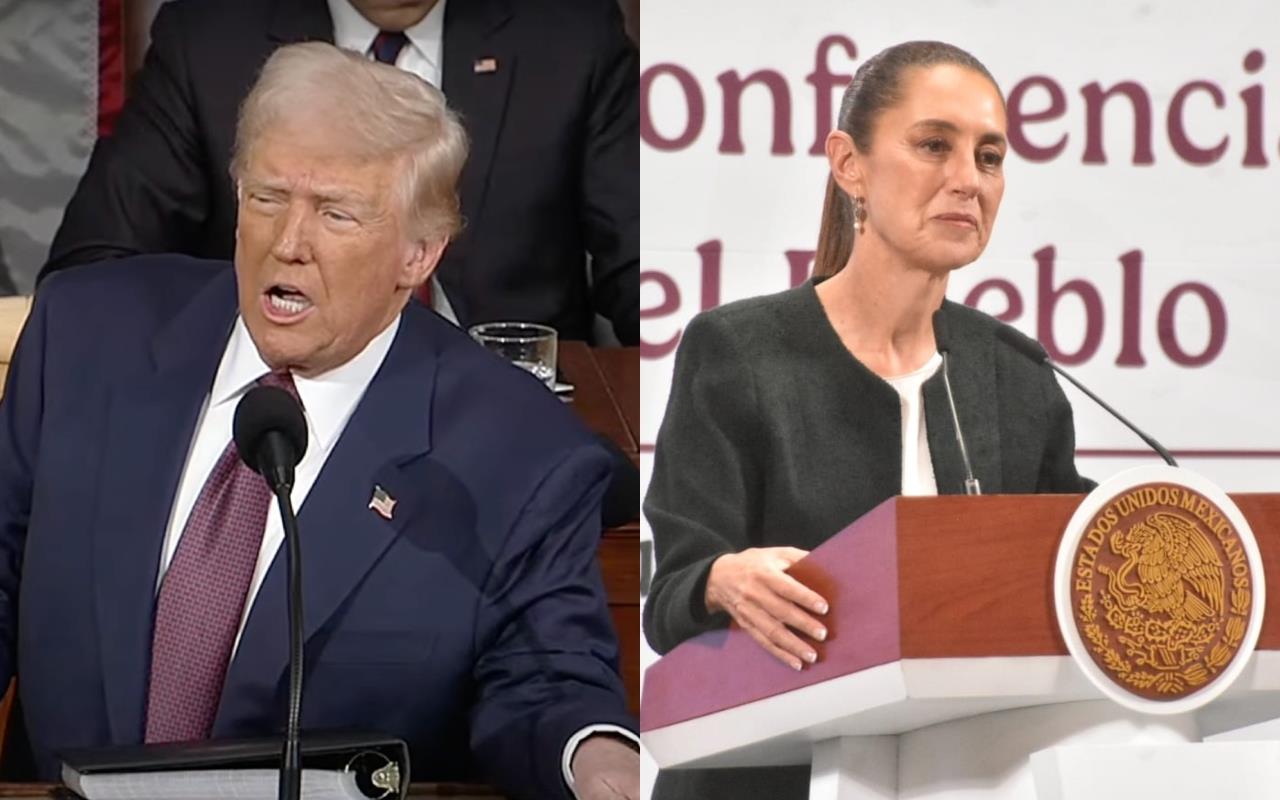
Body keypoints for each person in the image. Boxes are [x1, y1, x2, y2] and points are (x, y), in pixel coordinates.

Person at [0, 43, 637, 800]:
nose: (288, 243)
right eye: (268, 198)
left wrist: (598, 761)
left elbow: (546, 681)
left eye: (336, 213)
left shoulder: (520, 453)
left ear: (418, 253)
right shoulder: (85, 336)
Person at [641, 41, 1093, 800]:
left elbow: (1077, 564)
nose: (966, 181)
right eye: (933, 146)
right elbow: (668, 594)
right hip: (766, 777)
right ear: (850, 164)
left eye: (988, 157)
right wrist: (723, 580)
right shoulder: (738, 352)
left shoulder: (1015, 375)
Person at [42, 0, 638, 345]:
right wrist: (269, 329)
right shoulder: (212, 34)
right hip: (277, 418)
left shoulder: (568, 32)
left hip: (507, 431)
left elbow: (645, 267)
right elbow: (93, 271)